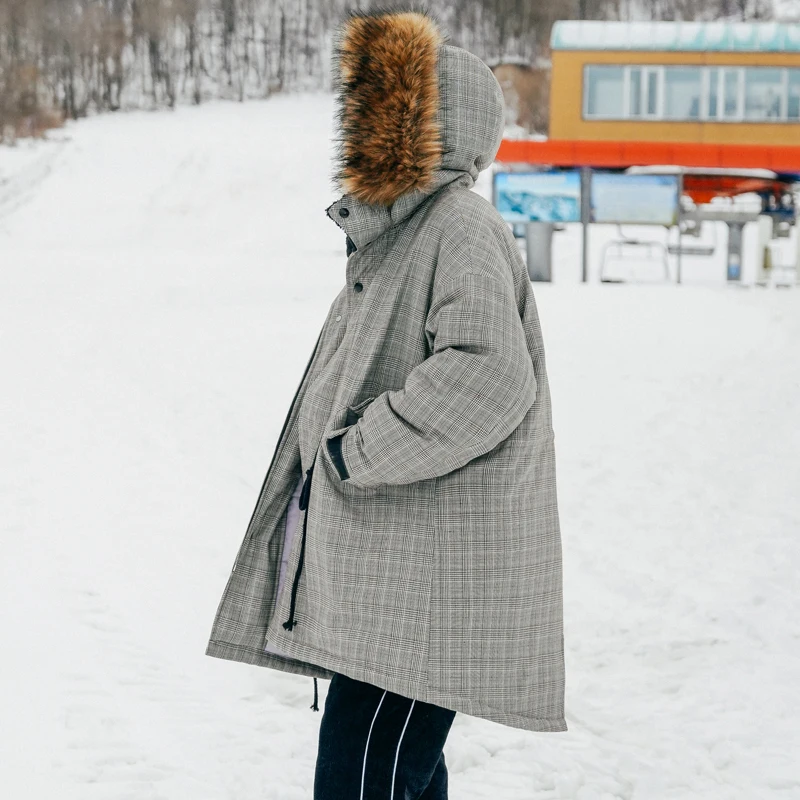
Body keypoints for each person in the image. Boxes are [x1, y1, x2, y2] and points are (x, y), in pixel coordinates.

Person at [205, 8, 566, 798]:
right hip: (396, 577)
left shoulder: (457, 226)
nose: (370, 132)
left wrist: (353, 451)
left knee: (361, 777)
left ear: (434, 127)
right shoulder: (396, 237)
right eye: (366, 114)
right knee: (396, 773)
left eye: (391, 114)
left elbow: (487, 377)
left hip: (426, 584)